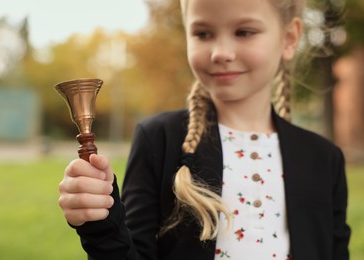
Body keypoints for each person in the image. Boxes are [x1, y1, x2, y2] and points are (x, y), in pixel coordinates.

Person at [58, 0, 351, 259]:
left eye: (244, 32)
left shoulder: (324, 159)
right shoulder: (159, 139)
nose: (220, 52)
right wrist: (101, 222)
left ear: (288, 39)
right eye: (203, 34)